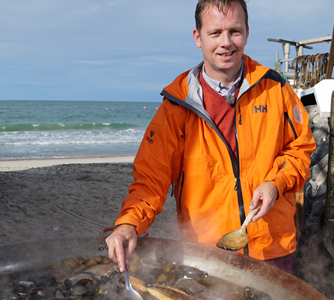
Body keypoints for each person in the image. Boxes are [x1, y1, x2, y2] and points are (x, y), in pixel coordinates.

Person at [106, 0, 315, 274]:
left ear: (247, 33)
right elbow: (150, 179)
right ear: (198, 37)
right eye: (215, 33)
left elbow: (300, 151)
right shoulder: (177, 105)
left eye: (235, 32)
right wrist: (128, 224)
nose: (226, 42)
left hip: (272, 249)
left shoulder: (275, 89)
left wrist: (275, 184)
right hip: (206, 256)